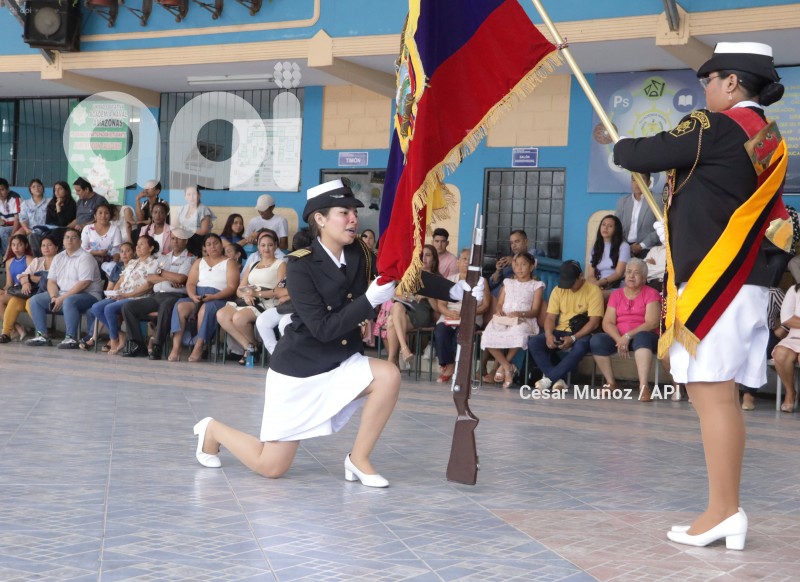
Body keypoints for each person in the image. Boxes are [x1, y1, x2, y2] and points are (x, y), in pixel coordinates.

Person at [613, 41, 788, 549]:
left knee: (711, 396)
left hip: (719, 282)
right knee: (719, 397)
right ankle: (724, 509)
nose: (705, 90)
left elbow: (645, 152)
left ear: (731, 83)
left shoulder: (715, 126)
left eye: (709, 81)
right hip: (744, 282)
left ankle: (723, 511)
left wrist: (623, 148)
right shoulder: (767, 137)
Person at [191, 178, 475, 486]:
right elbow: (322, 329)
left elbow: (405, 274)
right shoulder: (300, 265)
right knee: (271, 466)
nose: (354, 218)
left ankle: (358, 459)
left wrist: (456, 290)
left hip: (340, 360)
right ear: (320, 219)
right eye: (344, 212)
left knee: (388, 375)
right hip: (299, 370)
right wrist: (369, 301)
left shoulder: (362, 254)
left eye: (354, 212)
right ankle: (212, 429)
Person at [589, 258, 661, 401]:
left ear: (645, 278)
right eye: (628, 272)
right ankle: (611, 383)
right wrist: (619, 339)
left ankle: (643, 387)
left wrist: (628, 336)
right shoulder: (616, 295)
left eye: (636, 273)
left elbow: (652, 322)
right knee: (597, 340)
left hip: (644, 335)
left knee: (642, 337)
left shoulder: (651, 293)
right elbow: (607, 322)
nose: (631, 276)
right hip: (620, 337)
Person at [527, 260, 604, 391]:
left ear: (580, 276)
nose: (568, 287)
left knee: (580, 346)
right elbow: (550, 317)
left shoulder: (593, 290)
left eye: (571, 283)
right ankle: (558, 380)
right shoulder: (558, 290)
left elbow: (594, 322)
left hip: (582, 332)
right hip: (560, 330)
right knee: (534, 342)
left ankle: (549, 379)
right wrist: (549, 334)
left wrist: (573, 338)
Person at [120, 228, 196, 358]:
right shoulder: (163, 257)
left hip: (175, 296)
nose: (175, 241)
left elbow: (181, 279)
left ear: (186, 241)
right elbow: (150, 277)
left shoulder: (190, 259)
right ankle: (138, 344)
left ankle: (157, 345)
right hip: (156, 296)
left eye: (178, 238)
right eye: (173, 238)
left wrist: (161, 272)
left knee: (165, 307)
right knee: (128, 307)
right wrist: (169, 277)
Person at [25, 227, 104, 348]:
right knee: (35, 300)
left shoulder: (85, 257)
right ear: (63, 241)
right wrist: (54, 297)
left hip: (89, 296)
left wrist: (62, 298)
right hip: (62, 294)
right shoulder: (59, 257)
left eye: (73, 238)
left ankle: (71, 338)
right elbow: (51, 281)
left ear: (80, 241)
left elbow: (84, 283)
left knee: (69, 300)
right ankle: (42, 335)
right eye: (67, 237)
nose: (69, 240)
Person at [216, 231, 285, 364]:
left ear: (276, 246)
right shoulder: (252, 265)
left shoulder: (280, 264)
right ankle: (251, 346)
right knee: (221, 314)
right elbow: (239, 290)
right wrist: (246, 295)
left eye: (270, 245)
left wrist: (256, 294)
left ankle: (251, 348)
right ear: (258, 247)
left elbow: (279, 290)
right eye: (263, 245)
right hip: (248, 299)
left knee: (239, 318)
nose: (266, 248)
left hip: (267, 301)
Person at [81, 235, 159, 354]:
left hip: (137, 298)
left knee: (109, 308)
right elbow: (120, 281)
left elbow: (148, 286)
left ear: (151, 248)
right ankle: (120, 334)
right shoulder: (133, 262)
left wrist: (127, 295)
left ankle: (114, 340)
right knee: (96, 307)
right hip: (122, 295)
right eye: (137, 244)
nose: (138, 247)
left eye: (142, 244)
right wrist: (114, 293)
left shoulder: (153, 263)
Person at [168, 233, 238, 362]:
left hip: (219, 298)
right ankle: (176, 348)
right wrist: (193, 296)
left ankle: (199, 347)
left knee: (206, 308)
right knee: (180, 306)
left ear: (221, 245)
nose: (213, 247)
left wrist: (214, 296)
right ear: (205, 247)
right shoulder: (199, 261)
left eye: (216, 243)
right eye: (209, 244)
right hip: (199, 295)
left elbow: (232, 287)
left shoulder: (229, 262)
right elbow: (190, 283)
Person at [480, 252, 544, 388]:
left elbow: (535, 311)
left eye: (524, 265)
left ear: (532, 267)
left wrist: (520, 314)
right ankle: (507, 366)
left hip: (524, 319)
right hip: (504, 318)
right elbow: (499, 303)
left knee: (519, 333)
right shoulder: (507, 282)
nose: (519, 268)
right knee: (487, 335)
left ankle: (505, 367)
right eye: (516, 265)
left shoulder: (536, 285)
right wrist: (499, 310)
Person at [432, 248, 490, 383]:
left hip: (471, 317)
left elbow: (485, 305)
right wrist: (449, 313)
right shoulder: (449, 280)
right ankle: (449, 364)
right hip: (450, 315)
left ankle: (455, 368)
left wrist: (467, 314)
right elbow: (441, 305)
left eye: (470, 260)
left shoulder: (481, 281)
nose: (467, 263)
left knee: (460, 334)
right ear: (457, 262)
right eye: (464, 259)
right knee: (441, 332)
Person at [384, 244, 439, 367]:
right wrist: (402, 296)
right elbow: (393, 297)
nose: (424, 258)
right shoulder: (410, 276)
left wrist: (428, 296)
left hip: (421, 314)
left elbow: (437, 309)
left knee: (392, 320)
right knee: (395, 311)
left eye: (428, 255)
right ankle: (403, 350)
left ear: (434, 259)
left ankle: (393, 360)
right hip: (404, 311)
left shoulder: (437, 279)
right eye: (421, 256)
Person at [0, 234, 58, 343]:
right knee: (14, 301)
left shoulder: (60, 262)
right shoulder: (37, 261)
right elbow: (21, 276)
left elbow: (52, 280)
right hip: (33, 293)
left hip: (51, 294)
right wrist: (26, 281)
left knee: (29, 303)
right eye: (43, 245)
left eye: (49, 245)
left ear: (56, 247)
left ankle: (42, 333)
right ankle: (6, 333)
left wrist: (31, 277)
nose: (46, 248)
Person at [615, 173, 659, 259]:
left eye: (641, 180)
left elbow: (662, 227)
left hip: (648, 247)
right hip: (625, 247)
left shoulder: (657, 200)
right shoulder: (623, 201)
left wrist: (641, 246)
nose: (637, 183)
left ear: (649, 183)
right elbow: (616, 227)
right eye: (634, 180)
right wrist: (626, 247)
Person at [0, 234, 34, 341]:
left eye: (19, 245)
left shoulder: (29, 259)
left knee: (0, 299)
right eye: (13, 245)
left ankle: (14, 329)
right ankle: (17, 327)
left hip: (26, 291)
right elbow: (9, 283)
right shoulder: (9, 262)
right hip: (15, 291)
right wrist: (3, 290)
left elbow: (33, 279)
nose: (16, 248)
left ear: (26, 245)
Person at [586, 214, 630, 292]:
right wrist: (596, 284)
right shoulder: (596, 247)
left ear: (616, 229)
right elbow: (590, 275)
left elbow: (618, 273)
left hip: (616, 286)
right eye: (603, 225)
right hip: (599, 286)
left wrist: (601, 283)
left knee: (597, 297)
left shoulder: (624, 246)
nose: (605, 228)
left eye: (610, 226)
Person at [173, 185, 215, 257]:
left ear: (199, 195)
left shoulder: (203, 209)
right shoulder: (182, 209)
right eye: (189, 194)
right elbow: (174, 225)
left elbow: (203, 231)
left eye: (194, 194)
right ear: (185, 196)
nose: (191, 197)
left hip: (198, 241)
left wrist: (188, 229)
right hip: (184, 239)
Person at [14, 178, 50, 257]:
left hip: (46, 230)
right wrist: (26, 229)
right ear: (30, 190)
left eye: (39, 186)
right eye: (33, 187)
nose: (36, 188)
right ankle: (36, 260)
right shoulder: (26, 203)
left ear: (42, 187)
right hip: (31, 230)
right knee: (28, 236)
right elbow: (23, 218)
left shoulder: (50, 202)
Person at [81, 203, 122, 269]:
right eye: (100, 213)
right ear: (95, 216)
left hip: (109, 261)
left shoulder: (115, 229)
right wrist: (97, 253)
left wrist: (114, 264)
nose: (103, 216)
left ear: (110, 216)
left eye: (106, 213)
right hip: (90, 259)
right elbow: (83, 248)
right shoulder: (87, 229)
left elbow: (117, 250)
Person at [42, 180, 77, 249]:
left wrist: (58, 208)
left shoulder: (72, 205)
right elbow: (48, 222)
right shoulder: (51, 204)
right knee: (34, 235)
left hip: (65, 230)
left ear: (66, 191)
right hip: (52, 230)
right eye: (55, 189)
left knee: (56, 232)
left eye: (60, 189)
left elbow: (63, 224)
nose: (57, 191)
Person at [0, 177, 21, 257]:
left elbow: (18, 219)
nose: (0, 193)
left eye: (2, 190)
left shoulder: (14, 198)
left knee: (2, 231)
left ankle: (8, 257)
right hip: (4, 226)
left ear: (8, 189)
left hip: (16, 226)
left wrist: (12, 235)